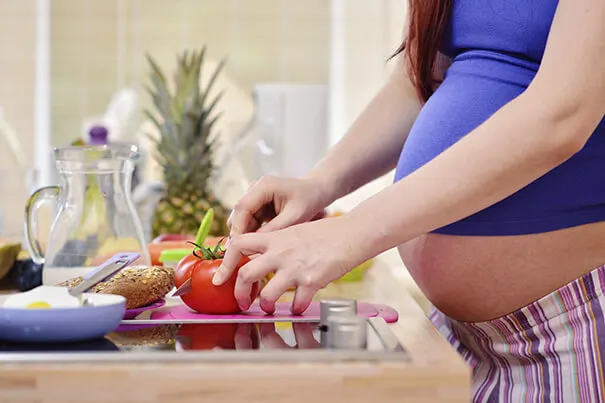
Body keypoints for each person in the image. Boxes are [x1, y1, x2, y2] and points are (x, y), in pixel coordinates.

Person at [212, 1, 605, 401]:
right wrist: (321, 181)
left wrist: (350, 232)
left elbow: (564, 115)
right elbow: (418, 80)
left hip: (575, 329)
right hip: (462, 341)